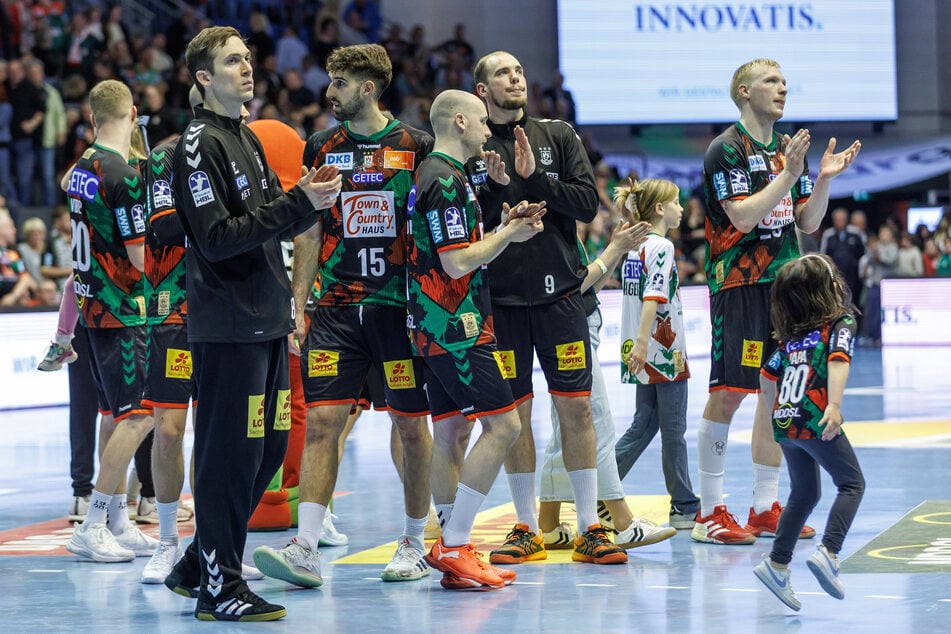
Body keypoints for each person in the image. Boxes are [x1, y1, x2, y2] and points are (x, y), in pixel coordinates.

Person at [165, 26, 342, 622]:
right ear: (202, 77)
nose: (247, 68)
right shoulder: (198, 145)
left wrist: (305, 204)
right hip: (227, 327)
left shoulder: (245, 137)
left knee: (264, 452)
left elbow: (270, 220)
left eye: (247, 58)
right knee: (229, 457)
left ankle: (199, 563)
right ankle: (221, 587)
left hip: (265, 322)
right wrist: (301, 204)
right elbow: (215, 240)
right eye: (232, 61)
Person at [252, 43, 434, 588]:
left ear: (368, 89)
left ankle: (414, 540)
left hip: (397, 310)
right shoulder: (320, 147)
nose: (328, 92)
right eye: (330, 81)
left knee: (408, 426)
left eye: (339, 83)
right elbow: (308, 229)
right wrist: (299, 302)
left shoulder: (415, 146)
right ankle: (305, 544)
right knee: (324, 423)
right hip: (332, 309)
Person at [694, 58, 861, 545]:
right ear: (744, 92)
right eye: (772, 81)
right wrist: (788, 175)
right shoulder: (725, 149)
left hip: (786, 289)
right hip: (740, 284)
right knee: (730, 393)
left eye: (786, 81)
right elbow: (743, 218)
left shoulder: (788, 149)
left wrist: (822, 177)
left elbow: (806, 223)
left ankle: (766, 506)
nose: (783, 88)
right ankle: (709, 513)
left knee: (775, 395)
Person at [473, 51, 625, 566]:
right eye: (501, 73)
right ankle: (524, 526)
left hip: (560, 296)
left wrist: (535, 179)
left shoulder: (558, 134)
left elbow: (586, 205)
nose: (515, 78)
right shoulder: (471, 145)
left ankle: (588, 528)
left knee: (576, 408)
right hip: (501, 301)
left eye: (518, 70)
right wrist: (493, 192)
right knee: (515, 416)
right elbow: (463, 223)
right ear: (481, 91)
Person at [409, 89, 544, 588]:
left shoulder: (444, 176)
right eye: (484, 123)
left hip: (432, 324)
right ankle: (454, 543)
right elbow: (456, 261)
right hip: (456, 327)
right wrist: (507, 236)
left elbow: (462, 249)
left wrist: (505, 228)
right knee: (505, 427)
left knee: (449, 433)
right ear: (461, 121)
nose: (491, 132)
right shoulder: (444, 178)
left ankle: (454, 548)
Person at [63, 79, 158, 564]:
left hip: (91, 307)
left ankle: (117, 519)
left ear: (92, 114)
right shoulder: (123, 174)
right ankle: (94, 520)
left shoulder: (80, 168)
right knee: (139, 414)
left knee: (112, 414)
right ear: (134, 113)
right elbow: (142, 257)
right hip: (124, 309)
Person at [538, 217, 676, 548]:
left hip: (576, 326)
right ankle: (623, 522)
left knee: (565, 431)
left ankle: (548, 525)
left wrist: (616, 250)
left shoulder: (561, 229)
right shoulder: (549, 229)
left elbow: (588, 290)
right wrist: (614, 248)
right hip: (569, 332)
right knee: (594, 423)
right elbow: (571, 288)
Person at [753, 254, 865, 611]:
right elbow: (838, 360)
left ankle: (777, 563)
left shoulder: (789, 338)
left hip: (786, 421)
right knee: (852, 483)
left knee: (804, 491)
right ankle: (829, 552)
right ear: (831, 288)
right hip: (816, 414)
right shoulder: (839, 323)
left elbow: (766, 378)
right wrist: (833, 405)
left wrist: (776, 416)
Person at [613, 178, 701, 529]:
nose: (682, 208)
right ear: (660, 209)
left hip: (642, 347)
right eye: (676, 202)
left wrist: (637, 344)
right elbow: (654, 296)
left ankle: (600, 486)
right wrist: (644, 342)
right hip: (662, 349)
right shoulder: (661, 246)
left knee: (644, 424)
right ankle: (684, 506)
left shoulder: (635, 245)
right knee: (674, 430)